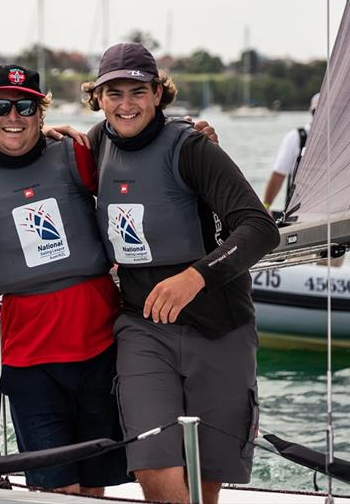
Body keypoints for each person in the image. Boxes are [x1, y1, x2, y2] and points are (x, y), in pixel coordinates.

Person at [82, 42, 280, 504]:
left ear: (157, 94)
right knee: (154, 467)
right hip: (143, 326)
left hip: (219, 323)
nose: (125, 104)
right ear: (98, 98)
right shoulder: (92, 145)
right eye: (113, 93)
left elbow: (259, 228)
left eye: (137, 91)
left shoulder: (193, 147)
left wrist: (195, 277)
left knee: (206, 479)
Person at [0, 65, 131, 496]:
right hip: (30, 357)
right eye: (0, 106)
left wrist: (193, 133)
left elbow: (138, 171)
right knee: (55, 491)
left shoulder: (74, 153)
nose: (12, 116)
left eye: (25, 106)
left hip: (99, 345)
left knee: (93, 488)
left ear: (40, 113)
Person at [262, 92, 320, 213]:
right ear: (311, 112)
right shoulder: (296, 137)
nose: (321, 117)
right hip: (301, 212)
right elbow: (278, 175)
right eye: (316, 112)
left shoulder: (347, 137)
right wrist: (266, 208)